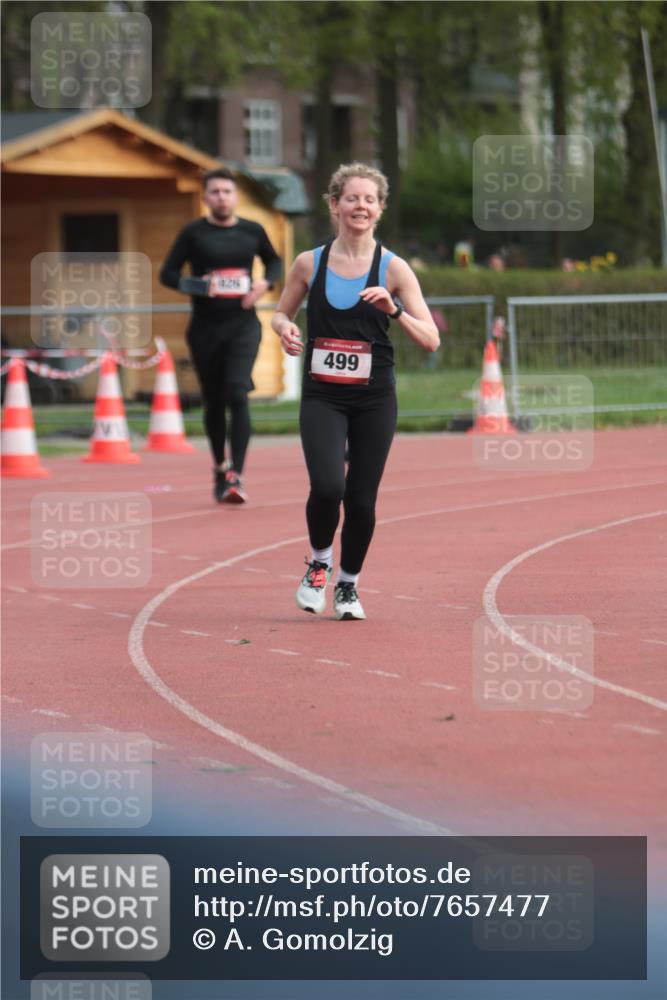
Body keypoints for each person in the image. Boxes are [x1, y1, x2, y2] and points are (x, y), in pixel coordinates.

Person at [271, 163, 439, 620]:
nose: (360, 206)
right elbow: (280, 313)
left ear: (380, 209)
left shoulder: (393, 267)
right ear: (334, 205)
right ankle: (319, 564)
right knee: (328, 486)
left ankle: (348, 585)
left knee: (362, 499)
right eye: (351, 198)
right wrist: (285, 331)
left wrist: (395, 308)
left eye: (369, 199)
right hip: (323, 393)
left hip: (374, 397)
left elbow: (430, 338)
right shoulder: (310, 262)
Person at [160, 167, 282, 503]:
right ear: (205, 197)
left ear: (235, 196)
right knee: (214, 401)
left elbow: (275, 263)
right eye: (214, 192)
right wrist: (199, 286)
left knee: (237, 392)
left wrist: (264, 284)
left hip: (243, 324)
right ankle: (219, 465)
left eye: (227, 192)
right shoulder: (193, 233)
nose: (221, 198)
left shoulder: (252, 231)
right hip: (205, 328)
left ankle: (235, 476)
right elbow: (167, 274)